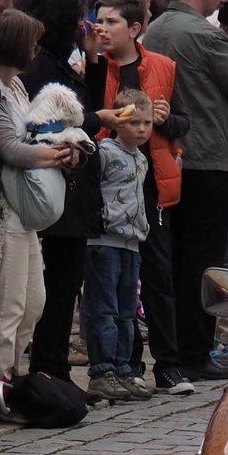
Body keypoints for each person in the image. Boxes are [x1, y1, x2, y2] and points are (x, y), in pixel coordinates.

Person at [142, 0, 228, 382]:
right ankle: (197, 349)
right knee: (205, 259)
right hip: (211, 156)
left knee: (172, 258)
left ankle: (175, 350)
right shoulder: (203, 34)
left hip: (170, 155)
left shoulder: (156, 28)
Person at [86, 0, 193, 396]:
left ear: (134, 29)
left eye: (111, 21)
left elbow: (184, 121)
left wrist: (166, 120)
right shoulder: (95, 67)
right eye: (98, 20)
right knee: (116, 283)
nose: (102, 28)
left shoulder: (161, 66)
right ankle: (126, 366)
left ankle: (168, 366)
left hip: (153, 183)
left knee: (157, 278)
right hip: (109, 185)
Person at [15, 0, 108, 394]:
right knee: (55, 284)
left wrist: (95, 60)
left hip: (70, 186)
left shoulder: (57, 58)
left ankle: (55, 369)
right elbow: (57, 120)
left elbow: (88, 106)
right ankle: (47, 369)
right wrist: (93, 121)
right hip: (54, 185)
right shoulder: (41, 63)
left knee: (66, 282)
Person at [0, 8, 58, 412]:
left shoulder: (15, 85)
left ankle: (12, 378)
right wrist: (56, 153)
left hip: (23, 207)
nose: (36, 51)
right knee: (8, 304)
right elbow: (12, 149)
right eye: (32, 43)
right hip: (0, 208)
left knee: (33, 301)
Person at [83, 90, 154, 403]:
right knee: (105, 309)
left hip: (132, 242)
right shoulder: (105, 151)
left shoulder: (141, 158)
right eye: (134, 121)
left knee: (127, 313)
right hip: (105, 241)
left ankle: (124, 369)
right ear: (117, 120)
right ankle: (102, 370)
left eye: (147, 122)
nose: (141, 129)